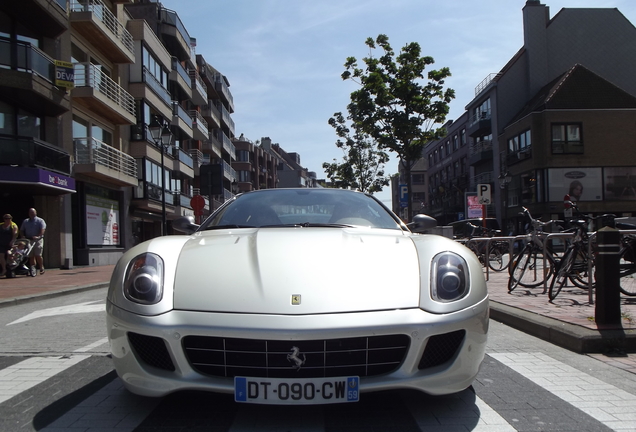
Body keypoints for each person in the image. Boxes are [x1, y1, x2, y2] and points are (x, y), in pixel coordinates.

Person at [20, 208, 46, 276]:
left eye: (33, 213)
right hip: (29, 240)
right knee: (31, 255)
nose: (32, 214)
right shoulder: (26, 221)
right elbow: (22, 230)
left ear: (36, 213)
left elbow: (42, 230)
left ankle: (41, 267)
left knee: (38, 255)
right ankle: (33, 268)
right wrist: (22, 236)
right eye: (30, 213)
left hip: (37, 240)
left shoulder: (40, 221)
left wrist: (38, 236)